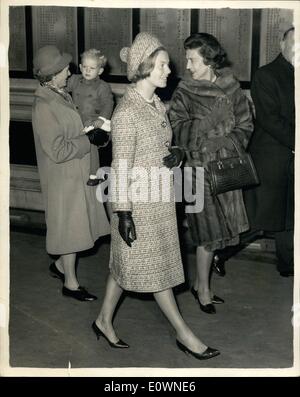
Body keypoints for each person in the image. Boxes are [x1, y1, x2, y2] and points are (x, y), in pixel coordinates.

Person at [92, 32, 220, 360]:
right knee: (157, 270)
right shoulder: (126, 113)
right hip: (138, 204)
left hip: (160, 199)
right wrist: (123, 213)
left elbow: (160, 144)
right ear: (145, 66)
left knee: (125, 264)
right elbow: (119, 168)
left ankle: (104, 320)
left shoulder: (156, 104)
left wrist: (175, 153)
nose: (168, 71)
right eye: (162, 65)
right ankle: (185, 334)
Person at [169, 33, 254, 314]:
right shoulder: (184, 90)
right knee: (208, 233)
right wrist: (209, 127)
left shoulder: (231, 86)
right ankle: (203, 288)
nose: (187, 65)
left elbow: (245, 124)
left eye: (192, 59)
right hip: (196, 171)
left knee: (223, 233)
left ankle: (199, 283)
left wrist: (226, 142)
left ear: (208, 60)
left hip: (225, 166)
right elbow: (176, 127)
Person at [32, 45, 111, 301]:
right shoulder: (44, 105)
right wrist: (88, 140)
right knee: (68, 228)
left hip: (75, 173)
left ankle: (60, 267)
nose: (70, 72)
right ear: (53, 73)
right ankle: (70, 283)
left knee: (74, 227)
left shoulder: (62, 94)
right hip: (62, 177)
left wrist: (97, 136)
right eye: (65, 69)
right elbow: (56, 150)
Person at [243, 27, 295, 277]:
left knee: (290, 217)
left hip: (291, 156)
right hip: (271, 159)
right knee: (259, 219)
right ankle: (218, 253)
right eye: (294, 43)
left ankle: (287, 266)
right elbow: (270, 119)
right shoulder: (266, 75)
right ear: (282, 43)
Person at [67, 48, 114, 186]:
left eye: (92, 68)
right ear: (80, 67)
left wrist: (102, 119)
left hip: (92, 122)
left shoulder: (102, 87)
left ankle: (95, 174)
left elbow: (108, 103)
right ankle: (75, 170)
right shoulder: (74, 80)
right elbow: (62, 88)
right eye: (85, 67)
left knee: (92, 146)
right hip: (75, 121)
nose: (87, 71)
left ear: (99, 71)